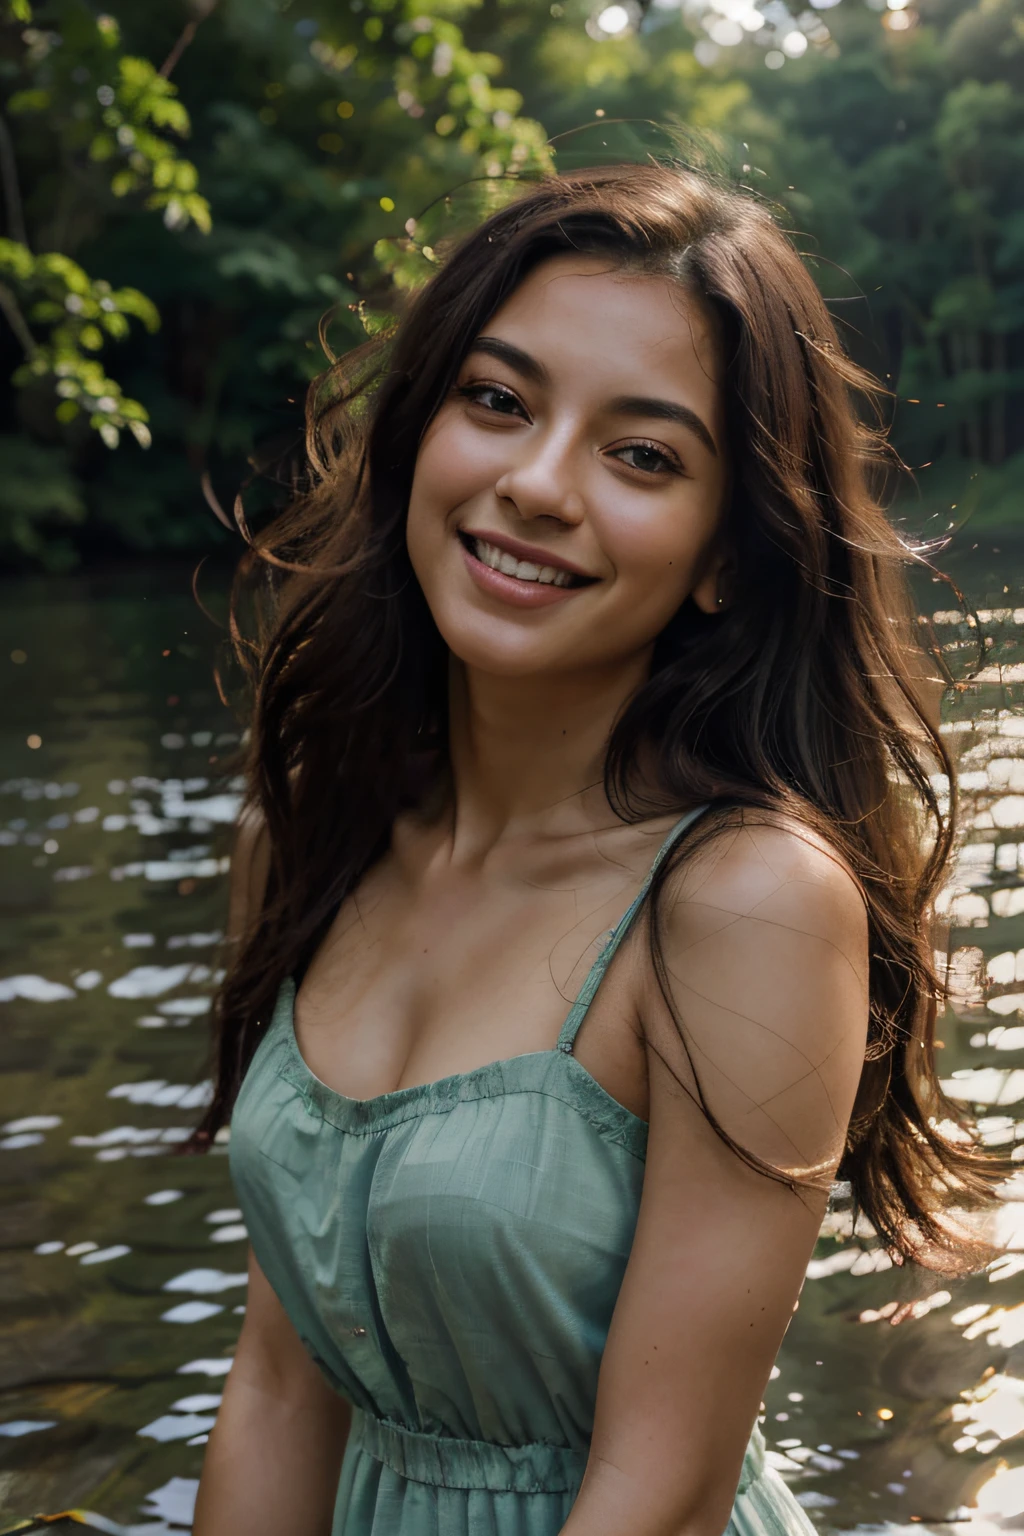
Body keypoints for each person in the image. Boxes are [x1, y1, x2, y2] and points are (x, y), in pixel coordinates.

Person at [190, 161, 997, 1536]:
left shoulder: (744, 902)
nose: (536, 485)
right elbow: (278, 1386)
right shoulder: (312, 833)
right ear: (418, 432)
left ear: (724, 556)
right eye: (496, 401)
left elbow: (663, 1494)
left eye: (642, 456)